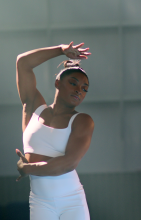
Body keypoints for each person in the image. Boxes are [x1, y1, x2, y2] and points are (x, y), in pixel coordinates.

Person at [15, 41, 94, 220]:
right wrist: (60, 50)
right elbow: (23, 63)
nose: (78, 91)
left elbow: (68, 164)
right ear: (57, 82)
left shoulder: (82, 121)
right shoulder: (34, 108)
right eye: (73, 83)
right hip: (40, 201)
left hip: (72, 202)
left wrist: (27, 168)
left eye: (84, 89)